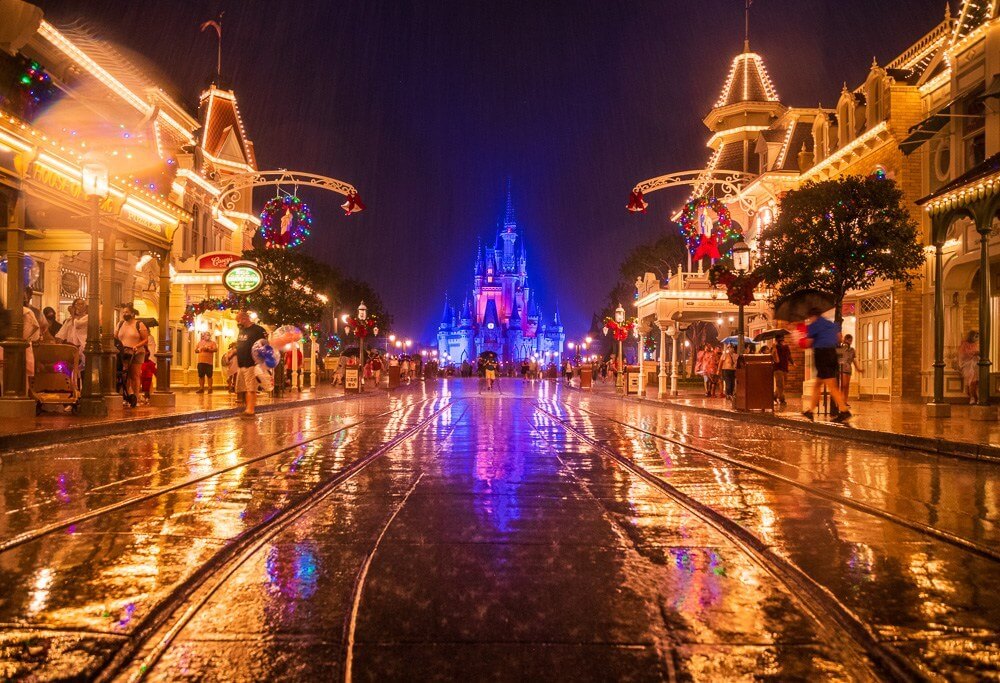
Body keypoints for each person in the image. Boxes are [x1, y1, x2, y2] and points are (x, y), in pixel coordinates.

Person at [800, 307, 849, 422]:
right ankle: (810, 411)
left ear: (813, 316)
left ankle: (844, 410)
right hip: (832, 353)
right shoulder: (831, 324)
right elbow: (839, 338)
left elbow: (808, 343)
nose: (809, 320)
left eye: (809, 318)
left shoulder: (814, 325)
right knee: (818, 384)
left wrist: (801, 339)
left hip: (822, 355)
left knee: (832, 385)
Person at [115, 303, 149, 408]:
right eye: (123, 312)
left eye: (127, 312)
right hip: (123, 352)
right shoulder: (120, 324)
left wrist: (136, 346)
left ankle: (136, 396)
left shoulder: (139, 324)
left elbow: (145, 339)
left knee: (134, 375)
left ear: (132, 313)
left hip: (136, 352)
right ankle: (127, 396)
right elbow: (115, 337)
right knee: (124, 375)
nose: (125, 314)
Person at [235, 310, 267, 416]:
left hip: (251, 364)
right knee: (242, 388)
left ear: (244, 318)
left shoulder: (258, 330)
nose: (237, 323)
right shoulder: (242, 330)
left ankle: (250, 410)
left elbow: (265, 346)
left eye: (238, 320)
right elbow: (240, 345)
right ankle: (246, 408)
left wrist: (260, 362)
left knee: (251, 388)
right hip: (241, 364)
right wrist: (232, 353)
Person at [838, 334, 862, 407]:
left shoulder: (852, 350)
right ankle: (841, 401)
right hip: (842, 369)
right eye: (849, 340)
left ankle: (845, 401)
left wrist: (858, 368)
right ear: (845, 340)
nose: (850, 342)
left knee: (847, 386)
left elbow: (854, 360)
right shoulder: (841, 348)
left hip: (849, 369)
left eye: (851, 340)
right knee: (843, 385)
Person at [958, 330, 980, 405]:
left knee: (975, 382)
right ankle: (972, 397)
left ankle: (976, 397)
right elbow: (963, 355)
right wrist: (974, 353)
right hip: (967, 366)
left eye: (977, 337)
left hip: (975, 365)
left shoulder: (975, 344)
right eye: (975, 336)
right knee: (971, 382)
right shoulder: (964, 344)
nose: (976, 338)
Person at [771, 334, 794, 407]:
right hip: (777, 368)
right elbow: (772, 357)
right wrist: (774, 348)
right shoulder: (774, 347)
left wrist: (792, 362)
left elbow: (789, 356)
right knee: (780, 384)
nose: (782, 340)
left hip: (784, 368)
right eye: (780, 339)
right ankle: (782, 399)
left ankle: (774, 396)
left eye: (782, 339)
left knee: (783, 385)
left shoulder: (786, 347)